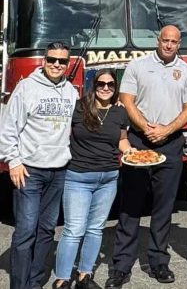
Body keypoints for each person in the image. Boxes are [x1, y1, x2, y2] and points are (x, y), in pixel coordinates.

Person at [104, 25, 187, 288]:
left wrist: (168, 130)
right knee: (130, 205)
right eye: (165, 40)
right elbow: (127, 99)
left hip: (170, 143)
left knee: (163, 207)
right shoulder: (138, 66)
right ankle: (121, 266)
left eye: (174, 42)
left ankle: (159, 262)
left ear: (179, 44)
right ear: (158, 41)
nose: (169, 45)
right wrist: (146, 128)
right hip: (138, 141)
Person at [0, 42, 78, 289]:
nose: (57, 64)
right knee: (25, 233)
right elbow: (8, 129)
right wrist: (13, 161)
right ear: (44, 60)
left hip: (59, 172)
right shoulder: (26, 88)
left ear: (68, 64)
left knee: (46, 231)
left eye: (62, 61)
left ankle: (34, 282)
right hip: (29, 172)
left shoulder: (71, 92)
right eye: (52, 59)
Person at [52, 68, 132, 289]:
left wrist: (130, 153)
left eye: (110, 85)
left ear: (115, 88)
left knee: (95, 229)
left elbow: (122, 140)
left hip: (108, 178)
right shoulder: (78, 107)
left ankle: (84, 275)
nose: (105, 88)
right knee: (73, 230)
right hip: (78, 177)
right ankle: (62, 278)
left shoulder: (119, 113)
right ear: (93, 86)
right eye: (100, 84)